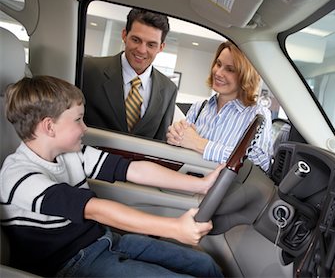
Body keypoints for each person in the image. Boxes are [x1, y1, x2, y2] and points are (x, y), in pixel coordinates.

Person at [0, 75, 224, 277]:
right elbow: (95, 209)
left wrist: (201, 184)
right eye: (78, 119)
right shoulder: (18, 177)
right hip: (69, 264)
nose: (85, 127)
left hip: (104, 240)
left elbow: (134, 170)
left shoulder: (70, 154)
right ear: (50, 127)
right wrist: (174, 228)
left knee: (205, 265)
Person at [167, 41, 272, 171]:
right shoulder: (199, 108)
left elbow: (259, 164)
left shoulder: (257, 114)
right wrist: (175, 137)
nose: (218, 73)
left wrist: (200, 144)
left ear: (245, 76)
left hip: (226, 190)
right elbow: (181, 145)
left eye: (230, 69)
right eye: (218, 64)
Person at [82, 8, 177, 141]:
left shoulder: (169, 89)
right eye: (136, 40)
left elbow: (160, 141)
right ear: (124, 35)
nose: (142, 50)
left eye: (151, 45)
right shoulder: (88, 69)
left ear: (161, 47)